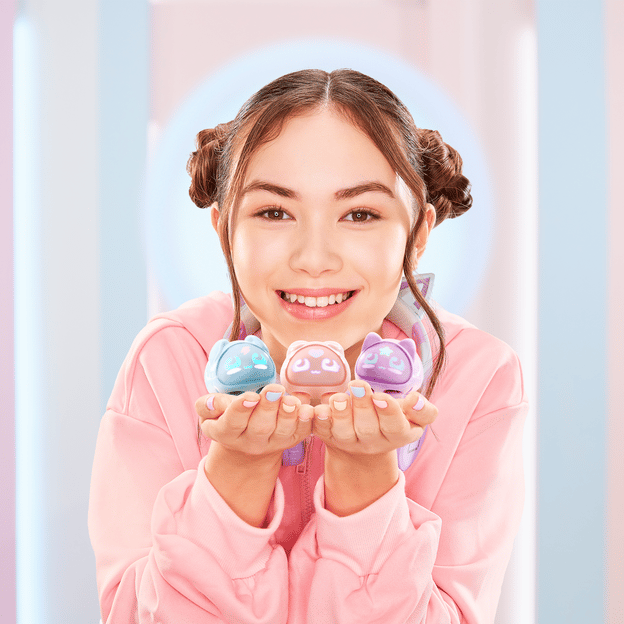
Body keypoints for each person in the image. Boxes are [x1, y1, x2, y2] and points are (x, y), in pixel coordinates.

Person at [88, 69, 528, 624]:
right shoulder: (171, 358)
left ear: (417, 234)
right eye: (274, 212)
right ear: (224, 229)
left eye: (360, 214)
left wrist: (366, 477)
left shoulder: (477, 376)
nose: (314, 258)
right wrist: (237, 471)